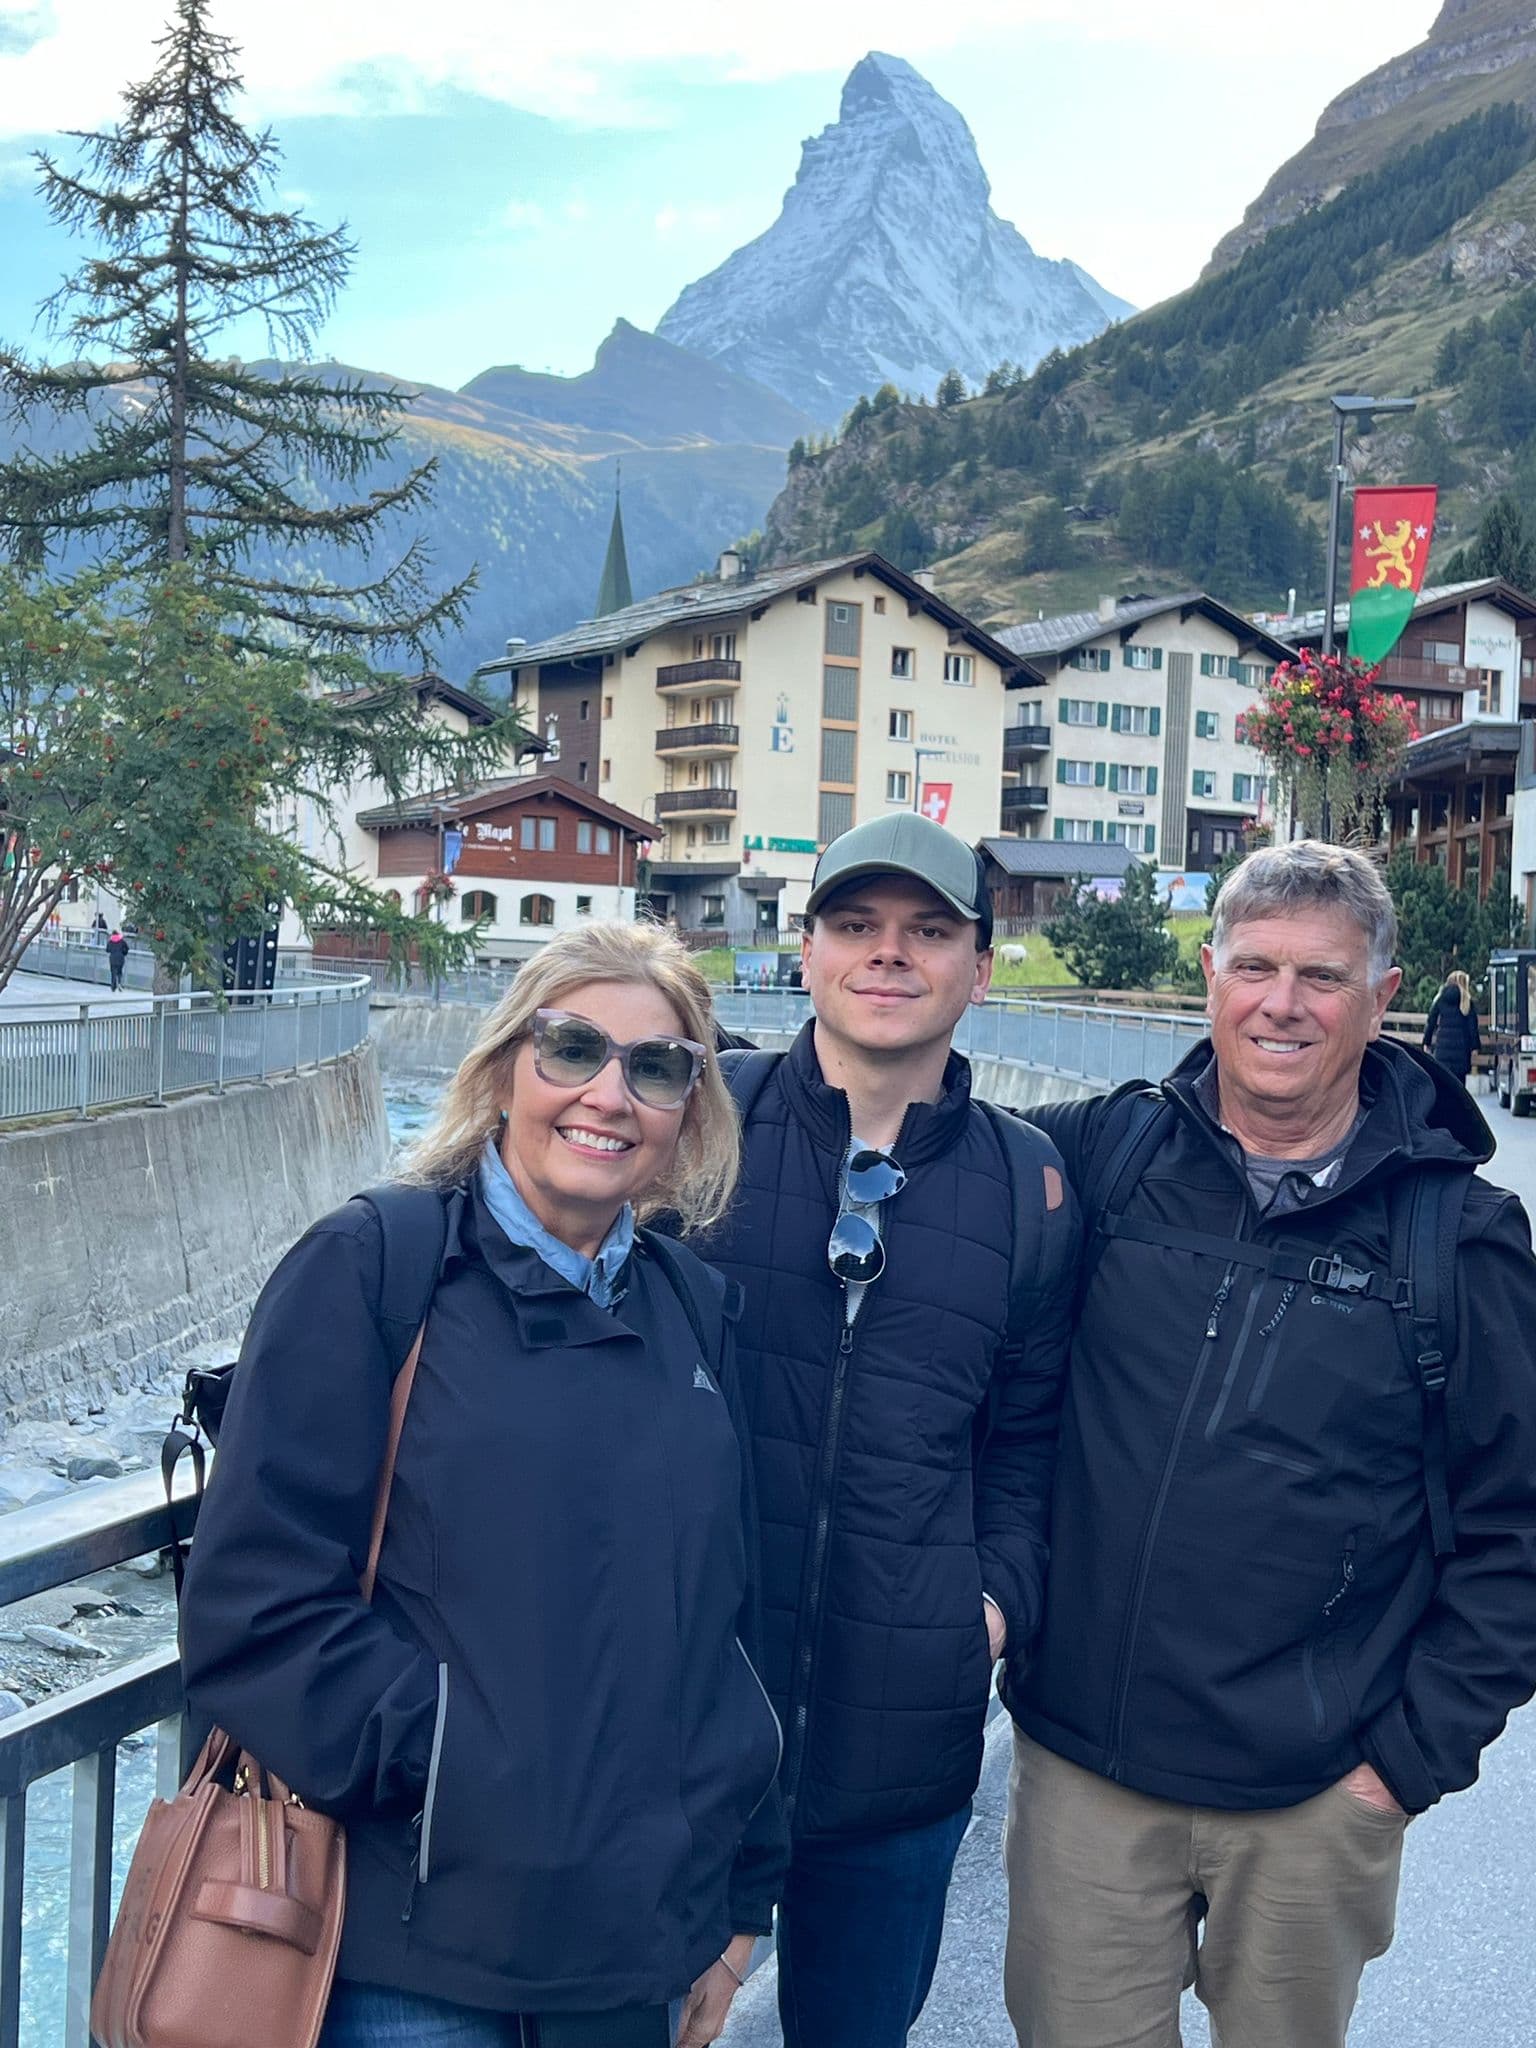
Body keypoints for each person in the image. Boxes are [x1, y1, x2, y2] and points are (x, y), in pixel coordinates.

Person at [179, 921, 785, 2048]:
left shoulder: (690, 1310)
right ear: (507, 1066)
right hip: (417, 1955)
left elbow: (726, 1626)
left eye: (656, 1068)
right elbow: (254, 1608)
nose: (609, 1093)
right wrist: (464, 1771)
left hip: (633, 1948)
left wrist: (739, 1893)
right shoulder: (375, 1266)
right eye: (572, 1048)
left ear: (687, 1114)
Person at [1004, 841, 1536, 2048]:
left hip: (1315, 1796)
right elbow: (915, 1151)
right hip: (1088, 1770)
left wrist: (1403, 1763)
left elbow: (1518, 1527)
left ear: (1382, 997)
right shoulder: (1108, 1157)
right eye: (1255, 965)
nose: (1281, 1002)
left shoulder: (1460, 1237)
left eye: (1322, 974)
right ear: (1210, 972)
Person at [693, 812, 1080, 2048]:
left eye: (928, 929)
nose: (888, 954)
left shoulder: (1029, 1188)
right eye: (855, 925)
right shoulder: (697, 1123)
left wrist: (990, 1608)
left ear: (980, 962)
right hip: (684, 1724)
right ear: (803, 950)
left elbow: (1027, 1444)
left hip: (900, 1758)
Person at [1423, 966, 1481, 1085]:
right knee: (1459, 1087)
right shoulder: (1467, 1002)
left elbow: (1431, 1022)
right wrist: (1475, 1047)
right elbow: (1473, 1028)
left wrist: (1426, 1042)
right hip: (1461, 1052)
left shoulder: (1440, 999)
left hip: (1442, 1050)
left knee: (1443, 1085)